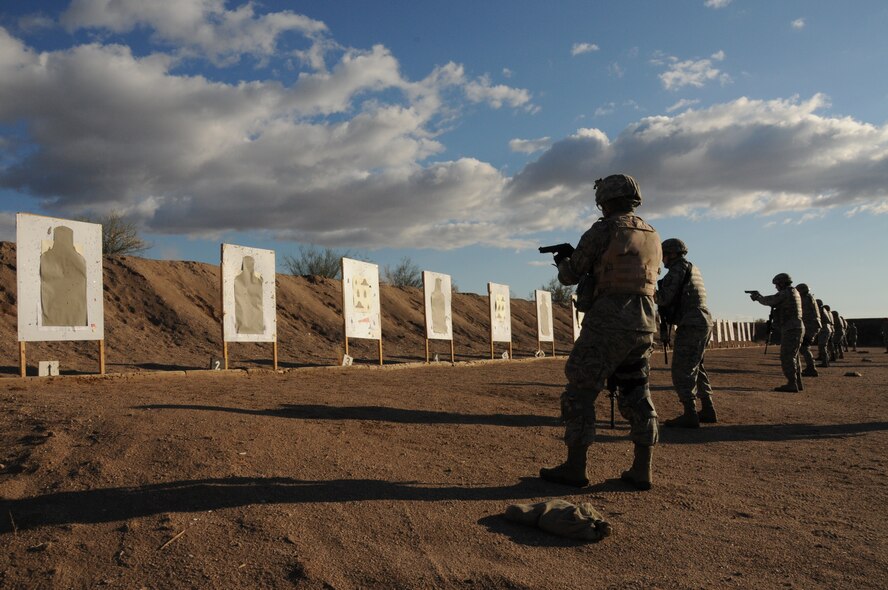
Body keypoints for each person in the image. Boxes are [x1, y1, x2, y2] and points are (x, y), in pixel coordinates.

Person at [540, 173, 661, 491]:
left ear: (604, 200)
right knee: (637, 391)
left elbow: (572, 274)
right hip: (645, 322)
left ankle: (575, 468)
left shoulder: (603, 229)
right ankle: (641, 469)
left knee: (579, 391)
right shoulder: (652, 233)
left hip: (608, 320)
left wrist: (562, 261)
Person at [656, 238, 716, 427]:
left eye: (664, 254)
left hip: (691, 323)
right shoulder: (692, 268)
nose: (662, 259)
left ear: (671, 254)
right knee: (696, 367)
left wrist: (647, 287)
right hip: (702, 320)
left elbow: (664, 299)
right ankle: (707, 408)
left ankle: (690, 414)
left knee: (682, 369)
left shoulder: (677, 270)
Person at [749, 274, 804, 392]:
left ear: (782, 283)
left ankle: (792, 383)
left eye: (777, 284)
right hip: (795, 327)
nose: (776, 287)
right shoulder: (793, 292)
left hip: (791, 328)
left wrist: (758, 297)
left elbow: (770, 300)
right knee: (794, 356)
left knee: (787, 356)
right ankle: (797, 382)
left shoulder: (787, 292)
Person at [795, 284, 822, 377]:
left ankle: (811, 368)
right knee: (804, 347)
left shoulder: (805, 299)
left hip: (810, 326)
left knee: (804, 347)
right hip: (812, 325)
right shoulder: (810, 298)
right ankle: (811, 368)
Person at [815, 299, 833, 368]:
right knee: (824, 346)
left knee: (822, 346)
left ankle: (825, 362)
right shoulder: (823, 309)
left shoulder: (820, 309)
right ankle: (826, 361)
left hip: (824, 329)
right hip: (826, 328)